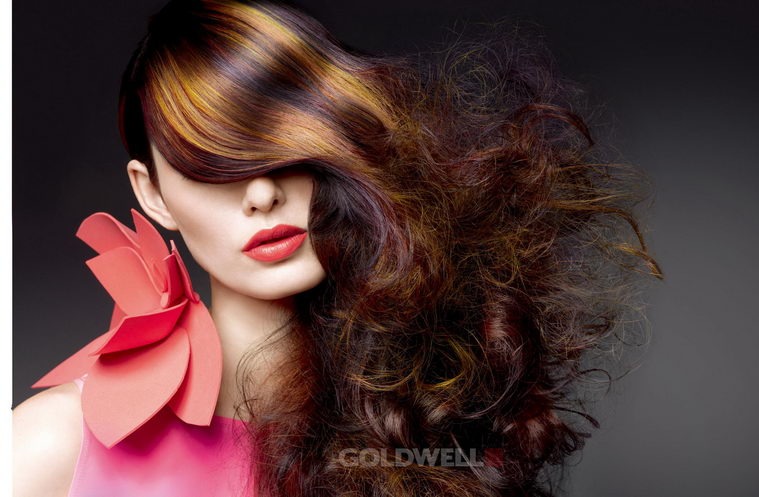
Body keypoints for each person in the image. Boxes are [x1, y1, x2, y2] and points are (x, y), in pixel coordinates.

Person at [13, 1, 662, 496]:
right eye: (211, 163)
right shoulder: (54, 444)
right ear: (152, 194)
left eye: (283, 147)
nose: (262, 193)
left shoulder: (428, 423)